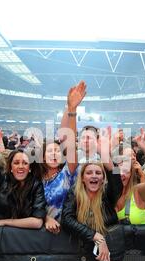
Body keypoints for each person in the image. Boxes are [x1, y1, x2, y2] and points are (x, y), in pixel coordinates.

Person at [0, 101, 47, 231]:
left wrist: (3, 222)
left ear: (30, 168)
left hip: (24, 242)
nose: (21, 166)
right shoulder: (1, 181)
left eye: (25, 163)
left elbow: (37, 222)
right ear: (10, 167)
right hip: (0, 239)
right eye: (16, 163)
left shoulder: (36, 185)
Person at [61, 129, 122, 261]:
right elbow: (67, 219)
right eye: (89, 173)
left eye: (98, 173)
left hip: (107, 259)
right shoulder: (74, 192)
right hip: (77, 256)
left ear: (102, 179)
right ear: (82, 178)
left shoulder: (107, 194)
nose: (94, 176)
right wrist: (97, 237)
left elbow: (117, 180)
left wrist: (105, 155)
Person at [42, 82, 85, 234]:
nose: (54, 154)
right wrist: (45, 219)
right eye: (50, 151)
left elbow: (70, 142)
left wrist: (72, 109)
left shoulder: (67, 173)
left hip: (67, 234)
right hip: (37, 235)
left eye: (57, 151)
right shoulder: (34, 178)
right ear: (42, 157)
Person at [115, 129, 145, 225]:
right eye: (118, 170)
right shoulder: (105, 194)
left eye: (126, 170)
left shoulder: (137, 191)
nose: (122, 174)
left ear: (131, 173)